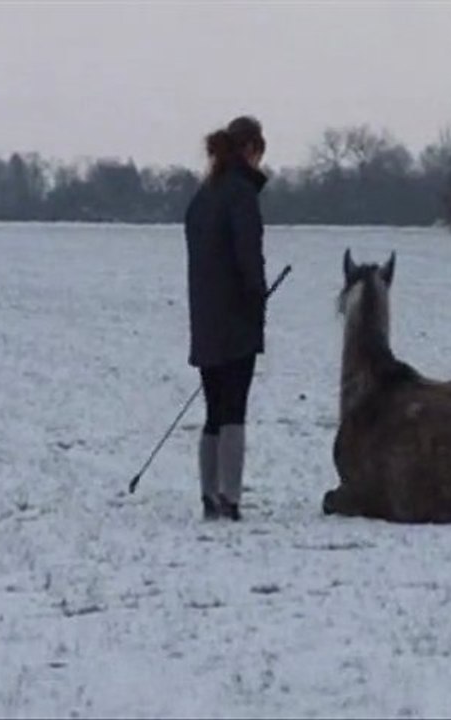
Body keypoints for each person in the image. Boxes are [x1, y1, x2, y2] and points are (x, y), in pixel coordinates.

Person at [184, 115, 268, 521]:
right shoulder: (241, 195)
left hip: (205, 319)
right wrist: (257, 300)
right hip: (236, 319)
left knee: (214, 410)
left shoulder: (204, 195)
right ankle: (230, 497)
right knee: (234, 408)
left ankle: (209, 495)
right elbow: (249, 258)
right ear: (250, 149)